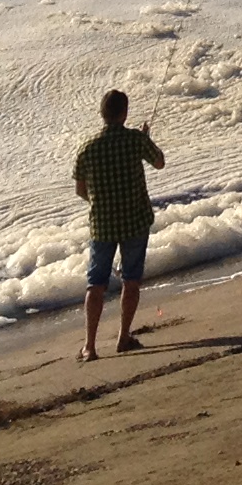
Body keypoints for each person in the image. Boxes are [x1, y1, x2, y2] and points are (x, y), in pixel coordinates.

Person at [73, 88, 165, 360]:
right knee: (131, 280)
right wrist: (147, 139)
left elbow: (80, 190)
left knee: (96, 283)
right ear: (124, 113)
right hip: (135, 220)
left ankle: (89, 345)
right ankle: (123, 337)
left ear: (102, 114)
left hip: (102, 225)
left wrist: (99, 202)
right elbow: (159, 163)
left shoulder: (87, 148)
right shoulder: (135, 140)